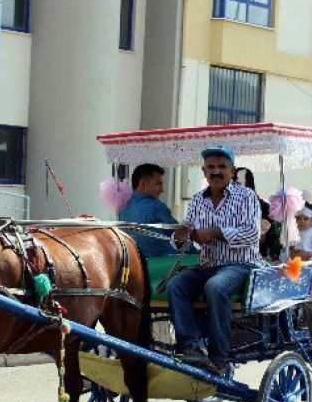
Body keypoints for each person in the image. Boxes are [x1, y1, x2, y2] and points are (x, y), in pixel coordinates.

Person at [167, 146, 263, 373]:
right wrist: (180, 236)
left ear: (232, 170)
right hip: (208, 264)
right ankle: (189, 346)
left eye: (222, 167)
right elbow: (184, 241)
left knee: (216, 286)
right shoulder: (198, 200)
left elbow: (252, 233)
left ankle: (219, 357)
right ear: (204, 171)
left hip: (241, 265)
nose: (216, 172)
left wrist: (215, 232)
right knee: (175, 285)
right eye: (211, 167)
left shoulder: (247, 196)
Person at [118, 164, 181, 257]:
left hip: (133, 265)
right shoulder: (155, 206)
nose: (162, 189)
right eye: (158, 184)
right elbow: (179, 235)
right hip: (163, 265)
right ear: (143, 184)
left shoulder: (122, 209)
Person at [233, 167, 282, 261]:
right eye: (232, 183)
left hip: (256, 258)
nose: (234, 187)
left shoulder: (263, 207)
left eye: (238, 184)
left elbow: (266, 239)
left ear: (249, 184)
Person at [280, 207, 312, 300]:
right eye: (298, 218)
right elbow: (285, 249)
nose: (302, 221)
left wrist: (307, 255)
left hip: (310, 259)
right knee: (282, 267)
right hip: (293, 260)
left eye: (305, 219)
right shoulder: (292, 231)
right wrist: (290, 252)